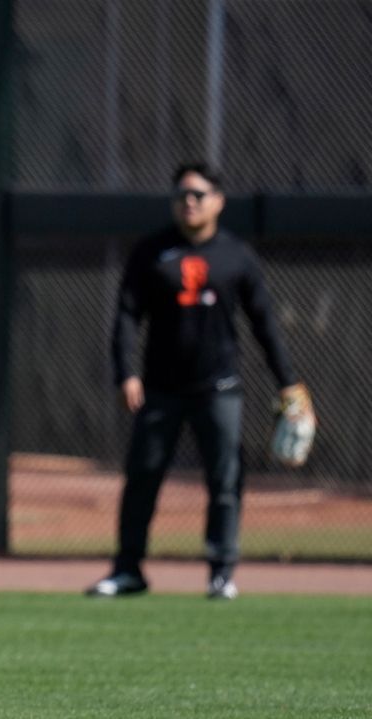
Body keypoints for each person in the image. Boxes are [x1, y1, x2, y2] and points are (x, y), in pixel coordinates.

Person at [88, 163, 305, 601]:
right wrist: (125, 371)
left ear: (218, 202)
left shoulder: (236, 255)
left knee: (225, 481)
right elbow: (127, 317)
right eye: (181, 195)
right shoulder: (152, 252)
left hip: (218, 388)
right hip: (161, 389)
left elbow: (264, 322)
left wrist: (289, 383)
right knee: (142, 478)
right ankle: (128, 569)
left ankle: (221, 572)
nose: (189, 202)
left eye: (199, 194)